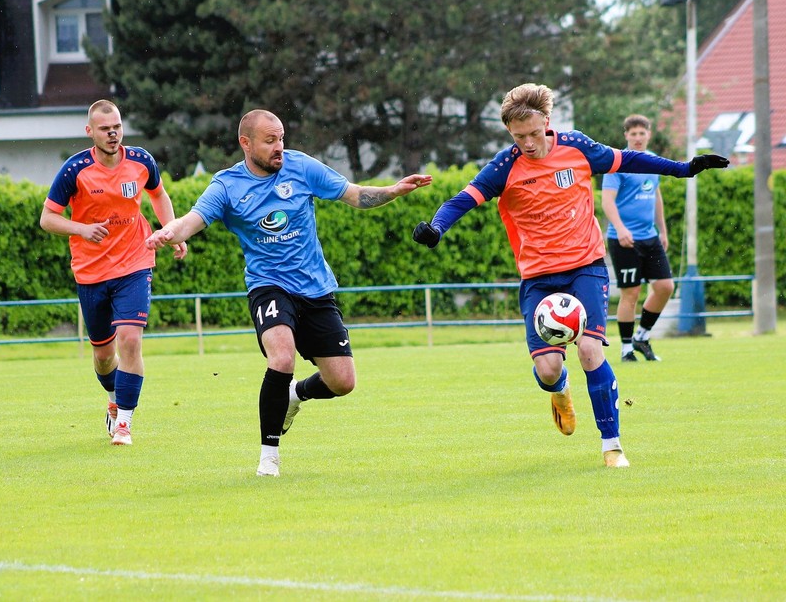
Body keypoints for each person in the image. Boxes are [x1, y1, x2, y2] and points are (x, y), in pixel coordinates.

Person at [412, 83, 728, 468]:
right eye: (519, 136)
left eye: (534, 133)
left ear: (547, 121)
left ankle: (612, 445)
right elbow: (462, 200)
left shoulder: (577, 147)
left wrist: (684, 168)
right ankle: (559, 389)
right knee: (548, 370)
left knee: (590, 350)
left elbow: (627, 159)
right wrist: (437, 228)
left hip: (586, 267)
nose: (528, 143)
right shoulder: (503, 166)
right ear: (509, 131)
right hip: (539, 278)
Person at [145, 109, 432, 477]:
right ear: (246, 143)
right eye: (270, 141)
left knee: (343, 382)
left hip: (315, 288)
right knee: (281, 357)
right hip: (268, 286)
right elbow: (192, 220)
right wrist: (169, 232)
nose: (279, 146)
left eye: (281, 138)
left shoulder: (301, 167)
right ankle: (269, 456)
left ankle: (296, 394)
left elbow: (355, 194)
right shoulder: (227, 185)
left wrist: (392, 190)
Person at [40, 99, 186, 446]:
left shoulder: (141, 161)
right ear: (90, 131)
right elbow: (47, 219)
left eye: (117, 127)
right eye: (105, 129)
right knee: (104, 357)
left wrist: (172, 230)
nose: (113, 133)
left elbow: (159, 195)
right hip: (91, 272)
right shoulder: (74, 170)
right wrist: (81, 229)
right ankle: (113, 400)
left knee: (131, 340)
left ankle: (124, 424)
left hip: (135, 262)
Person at [601, 115, 673, 362]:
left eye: (642, 133)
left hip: (650, 237)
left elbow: (656, 195)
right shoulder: (618, 163)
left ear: (649, 135)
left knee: (665, 287)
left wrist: (662, 230)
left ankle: (642, 337)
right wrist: (620, 228)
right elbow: (607, 201)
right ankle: (626, 348)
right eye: (633, 134)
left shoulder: (653, 160)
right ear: (626, 136)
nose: (638, 138)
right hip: (624, 240)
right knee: (631, 293)